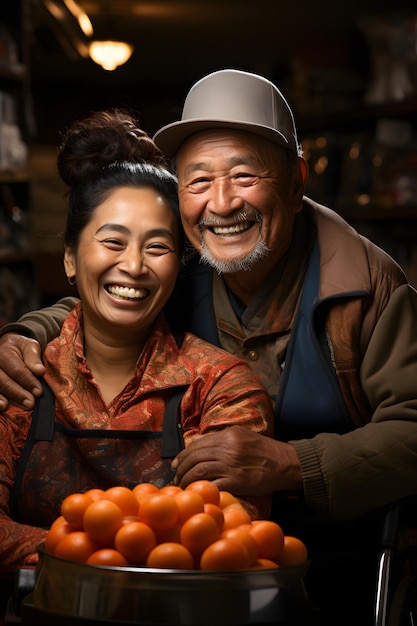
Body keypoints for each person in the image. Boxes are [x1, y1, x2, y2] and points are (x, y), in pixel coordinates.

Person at [0, 69, 416, 623]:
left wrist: (296, 464)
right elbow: (113, 291)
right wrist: (26, 332)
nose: (221, 204)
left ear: (295, 182)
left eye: (245, 175)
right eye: (197, 181)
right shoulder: (185, 255)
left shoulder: (368, 287)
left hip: (333, 556)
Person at [0, 107, 274, 576]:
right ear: (70, 258)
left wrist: (90, 555)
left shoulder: (221, 387)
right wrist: (110, 555)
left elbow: (228, 533)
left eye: (157, 247)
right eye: (112, 242)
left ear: (179, 264)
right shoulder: (18, 373)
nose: (133, 266)